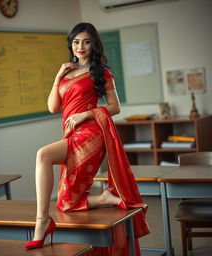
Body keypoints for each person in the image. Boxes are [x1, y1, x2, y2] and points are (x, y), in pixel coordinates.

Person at [24, 22, 150, 255]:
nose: (80, 46)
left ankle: (41, 221)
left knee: (43, 154)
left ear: (94, 45)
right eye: (76, 41)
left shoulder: (101, 72)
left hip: (92, 132)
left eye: (86, 41)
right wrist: (58, 75)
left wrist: (86, 114)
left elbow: (115, 107)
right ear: (71, 45)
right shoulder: (67, 73)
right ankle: (104, 197)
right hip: (71, 133)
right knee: (66, 203)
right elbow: (53, 107)